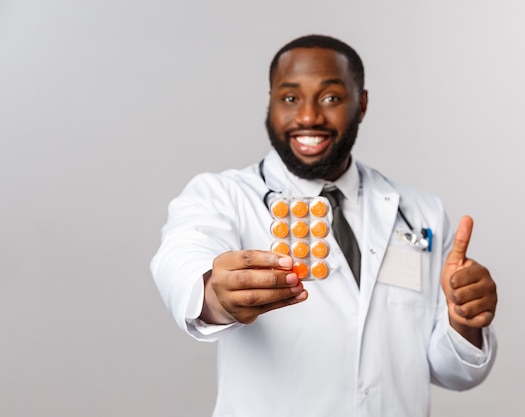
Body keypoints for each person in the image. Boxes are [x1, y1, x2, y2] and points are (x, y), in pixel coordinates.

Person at [151, 34, 498, 417]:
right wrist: (215, 294)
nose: (309, 116)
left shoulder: (421, 212)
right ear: (271, 103)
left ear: (361, 104)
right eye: (290, 98)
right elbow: (179, 259)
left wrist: (463, 320)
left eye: (331, 98)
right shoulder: (222, 195)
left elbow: (451, 370)